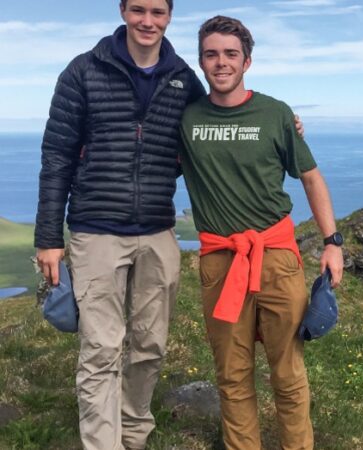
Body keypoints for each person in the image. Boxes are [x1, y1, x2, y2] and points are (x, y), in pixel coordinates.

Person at [33, 0, 206, 448]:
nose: (147, 21)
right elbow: (56, 158)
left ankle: (133, 432)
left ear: (170, 16)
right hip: (95, 231)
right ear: (123, 10)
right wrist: (49, 238)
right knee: (101, 351)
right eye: (138, 10)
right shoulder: (83, 71)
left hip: (158, 230)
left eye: (158, 12)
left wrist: (286, 126)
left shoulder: (185, 79)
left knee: (150, 347)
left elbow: (208, 137)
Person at [179, 15, 344, 450]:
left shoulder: (275, 114)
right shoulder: (186, 119)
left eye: (230, 54)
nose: (221, 62)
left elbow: (310, 177)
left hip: (275, 258)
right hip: (219, 262)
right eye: (211, 54)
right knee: (232, 377)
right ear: (200, 62)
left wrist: (332, 243)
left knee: (288, 374)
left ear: (246, 61)